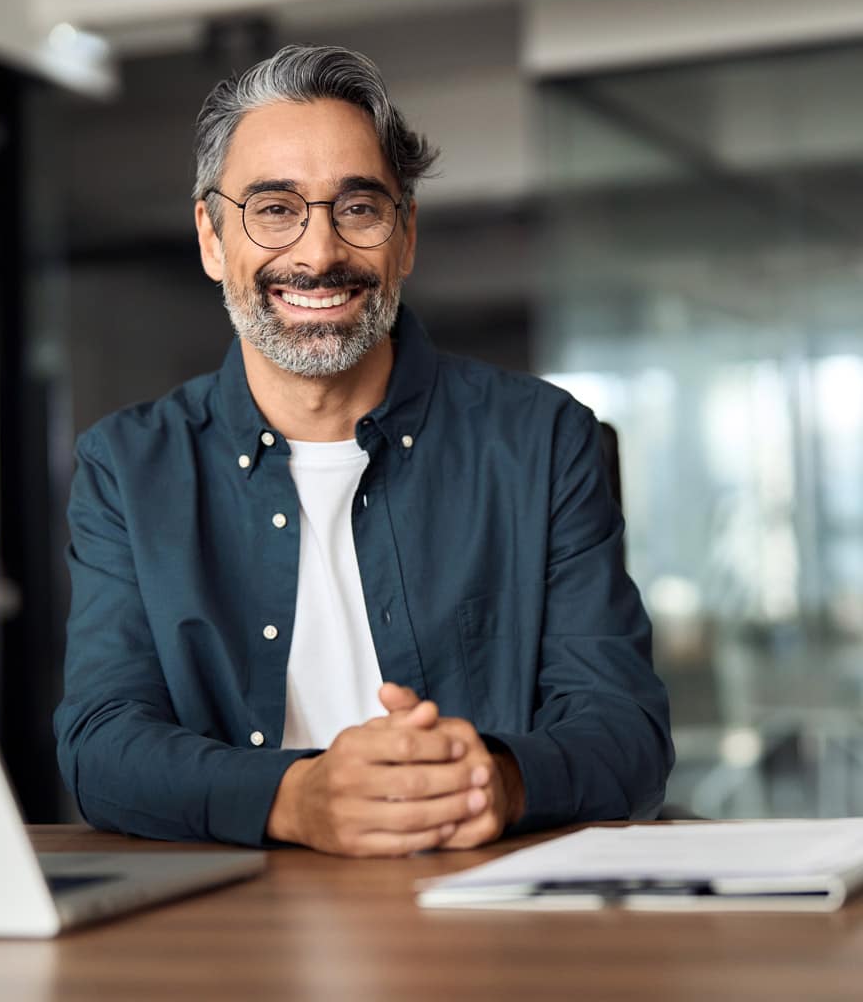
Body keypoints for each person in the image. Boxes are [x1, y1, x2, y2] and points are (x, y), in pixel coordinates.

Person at [54, 44, 673, 856]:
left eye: (358, 208)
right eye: (274, 209)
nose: (318, 254)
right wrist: (295, 797)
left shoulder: (543, 440)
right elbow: (100, 745)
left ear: (405, 236)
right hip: (235, 931)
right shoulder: (128, 469)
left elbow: (625, 730)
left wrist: (496, 776)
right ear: (212, 238)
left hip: (490, 916)